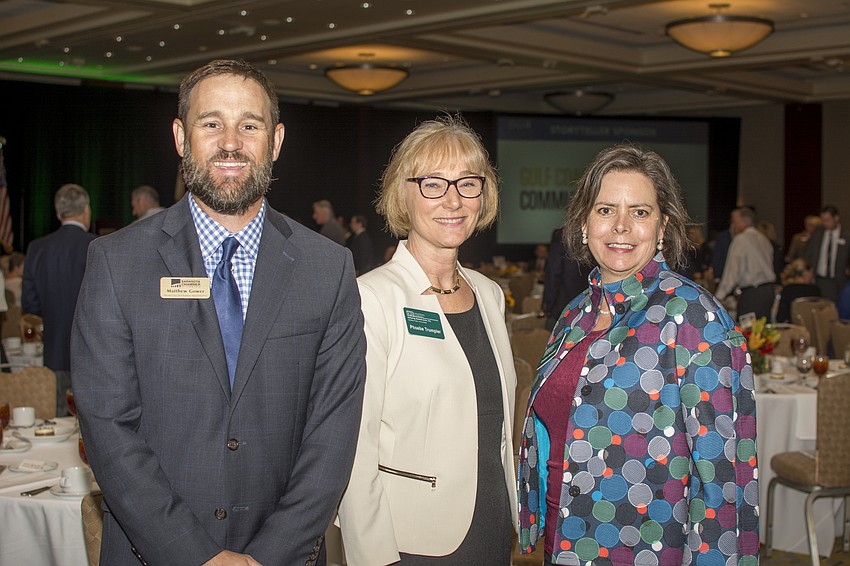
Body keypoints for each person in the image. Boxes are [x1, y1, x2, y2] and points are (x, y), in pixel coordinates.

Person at [71, 59, 366, 566]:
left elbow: (332, 433)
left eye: (248, 126)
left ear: (274, 142)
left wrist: (269, 556)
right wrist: (194, 556)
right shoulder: (116, 263)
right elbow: (107, 427)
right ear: (181, 137)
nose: (230, 142)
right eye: (211, 124)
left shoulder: (329, 270)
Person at [517, 144, 759, 565]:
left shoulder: (693, 317)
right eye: (606, 210)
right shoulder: (575, 314)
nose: (622, 227)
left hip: (645, 550)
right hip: (564, 542)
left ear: (663, 227)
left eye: (640, 212)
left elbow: (724, 482)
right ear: (583, 224)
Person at [337, 115, 518, 565]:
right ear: (404, 193)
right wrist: (373, 558)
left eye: (467, 183)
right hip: (411, 542)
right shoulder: (371, 298)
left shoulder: (490, 295)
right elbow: (353, 449)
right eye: (433, 184)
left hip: (494, 527)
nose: (453, 200)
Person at [23, 183, 96, 416]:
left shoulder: (37, 249)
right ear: (86, 209)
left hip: (53, 354)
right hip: (93, 356)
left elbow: (30, 304)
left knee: (58, 421)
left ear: (58, 213)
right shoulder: (98, 247)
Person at [714, 207, 776, 321]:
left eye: (734, 222)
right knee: (762, 333)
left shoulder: (740, 240)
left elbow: (731, 273)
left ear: (744, 222)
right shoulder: (763, 238)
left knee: (747, 332)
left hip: (752, 295)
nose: (732, 226)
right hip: (768, 292)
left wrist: (717, 298)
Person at [541, 227, 590, 330]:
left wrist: (548, 306)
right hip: (590, 307)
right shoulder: (599, 233)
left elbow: (554, 273)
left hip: (563, 307)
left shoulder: (561, 236)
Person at [805, 205, 850, 303]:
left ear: (836, 218)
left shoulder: (846, 236)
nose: (825, 223)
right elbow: (809, 253)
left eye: (828, 220)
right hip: (819, 278)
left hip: (838, 280)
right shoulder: (817, 233)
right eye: (823, 220)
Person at [776, 258, 820, 323]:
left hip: (793, 329)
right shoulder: (816, 290)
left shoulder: (788, 290)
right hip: (812, 328)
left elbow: (780, 317)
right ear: (805, 273)